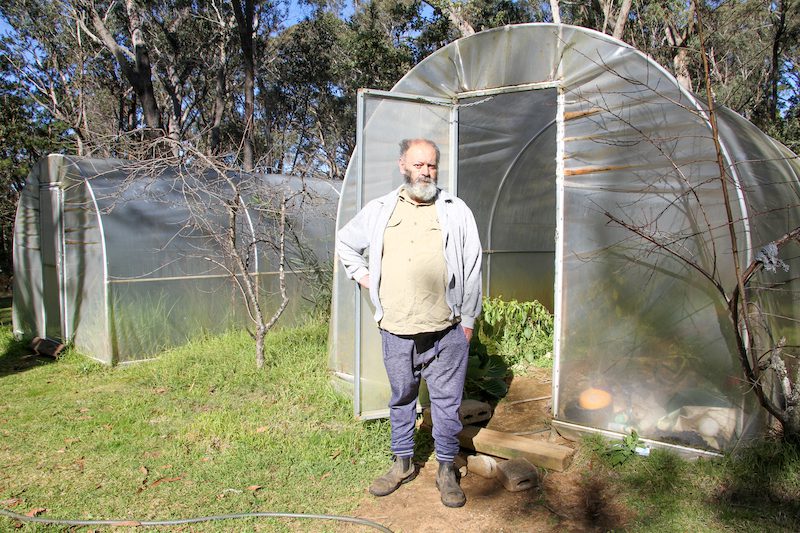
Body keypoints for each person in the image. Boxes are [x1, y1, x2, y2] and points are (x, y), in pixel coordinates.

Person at [337, 138, 482, 508]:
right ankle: (402, 463)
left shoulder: (455, 209)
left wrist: (468, 320)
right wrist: (365, 277)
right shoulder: (381, 209)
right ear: (403, 164)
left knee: (447, 405)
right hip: (397, 329)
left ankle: (447, 469)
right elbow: (345, 244)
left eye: (431, 165)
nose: (426, 172)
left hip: (446, 330)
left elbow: (473, 265)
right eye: (418, 165)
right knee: (402, 398)